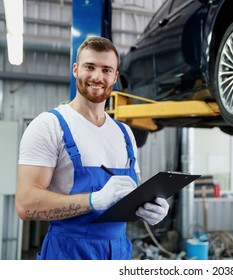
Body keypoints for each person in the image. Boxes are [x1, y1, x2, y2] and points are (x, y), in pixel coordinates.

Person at [15, 36, 169, 260]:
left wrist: (150, 208)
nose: (98, 77)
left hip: (118, 253)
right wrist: (93, 201)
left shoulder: (125, 133)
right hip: (68, 255)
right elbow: (25, 204)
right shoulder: (50, 125)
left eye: (106, 70)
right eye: (90, 67)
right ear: (76, 70)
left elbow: (131, 192)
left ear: (115, 77)